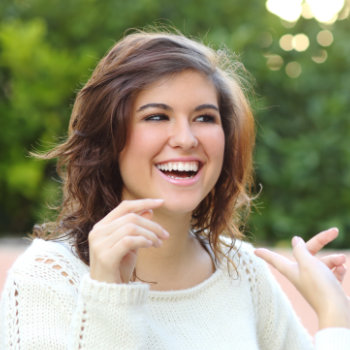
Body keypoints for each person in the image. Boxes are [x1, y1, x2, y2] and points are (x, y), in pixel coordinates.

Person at [0, 30, 349, 349]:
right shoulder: (45, 279)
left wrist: (334, 314)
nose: (186, 139)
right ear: (109, 137)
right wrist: (108, 293)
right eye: (156, 116)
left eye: (204, 118)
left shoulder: (243, 271)